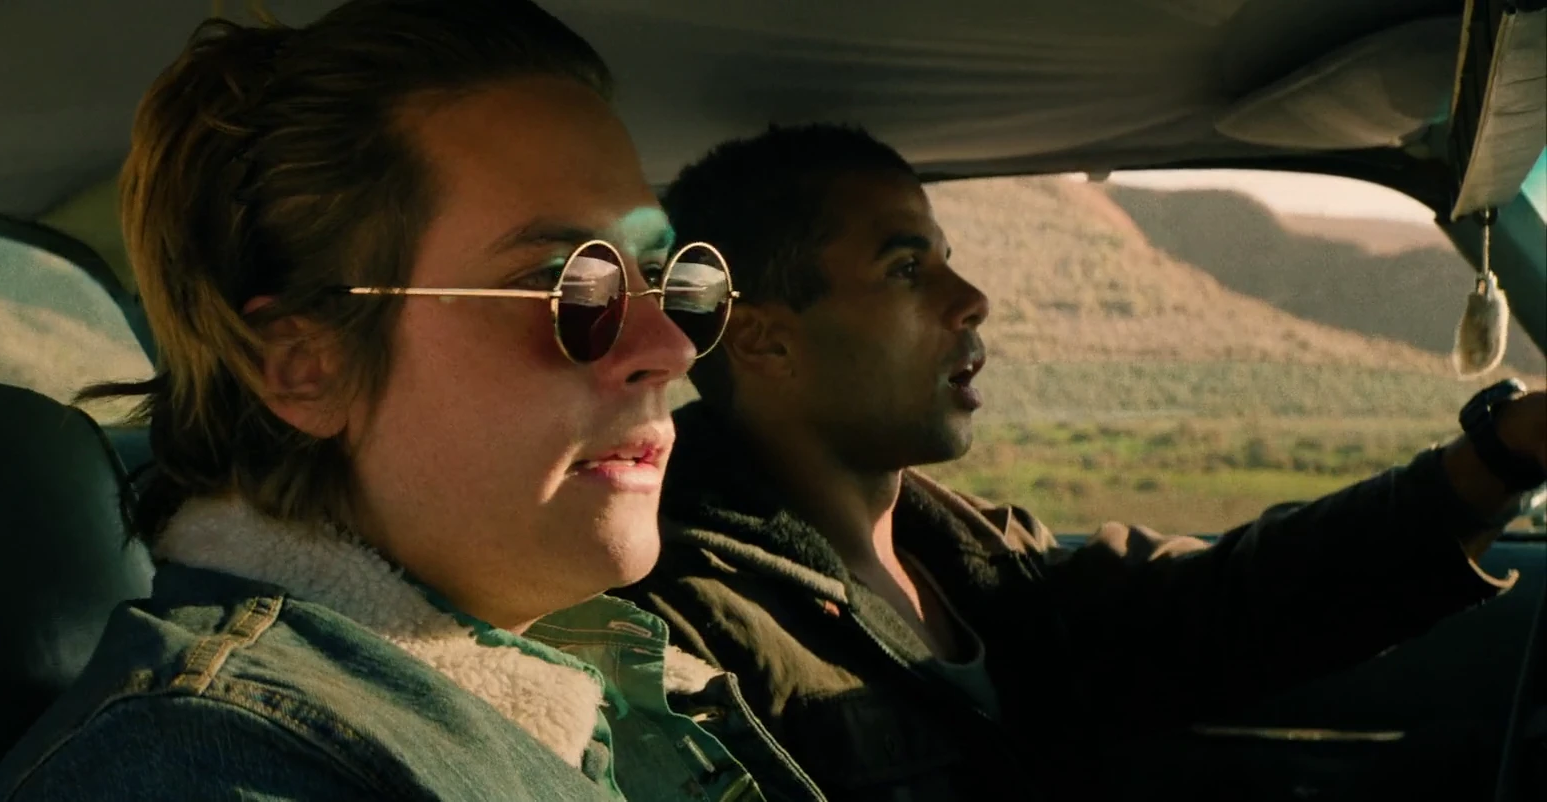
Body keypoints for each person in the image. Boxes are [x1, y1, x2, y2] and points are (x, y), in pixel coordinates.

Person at [0, 3, 822, 800]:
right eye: (563, 282)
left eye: (665, 276)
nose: (670, 347)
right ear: (308, 368)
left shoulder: (599, 683)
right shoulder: (202, 764)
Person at [612, 123, 1547, 802]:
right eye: (907, 270)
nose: (972, 299)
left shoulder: (987, 564)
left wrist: (1501, 456)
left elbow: (1235, 604)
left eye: (948, 260)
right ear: (764, 341)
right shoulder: (682, 628)